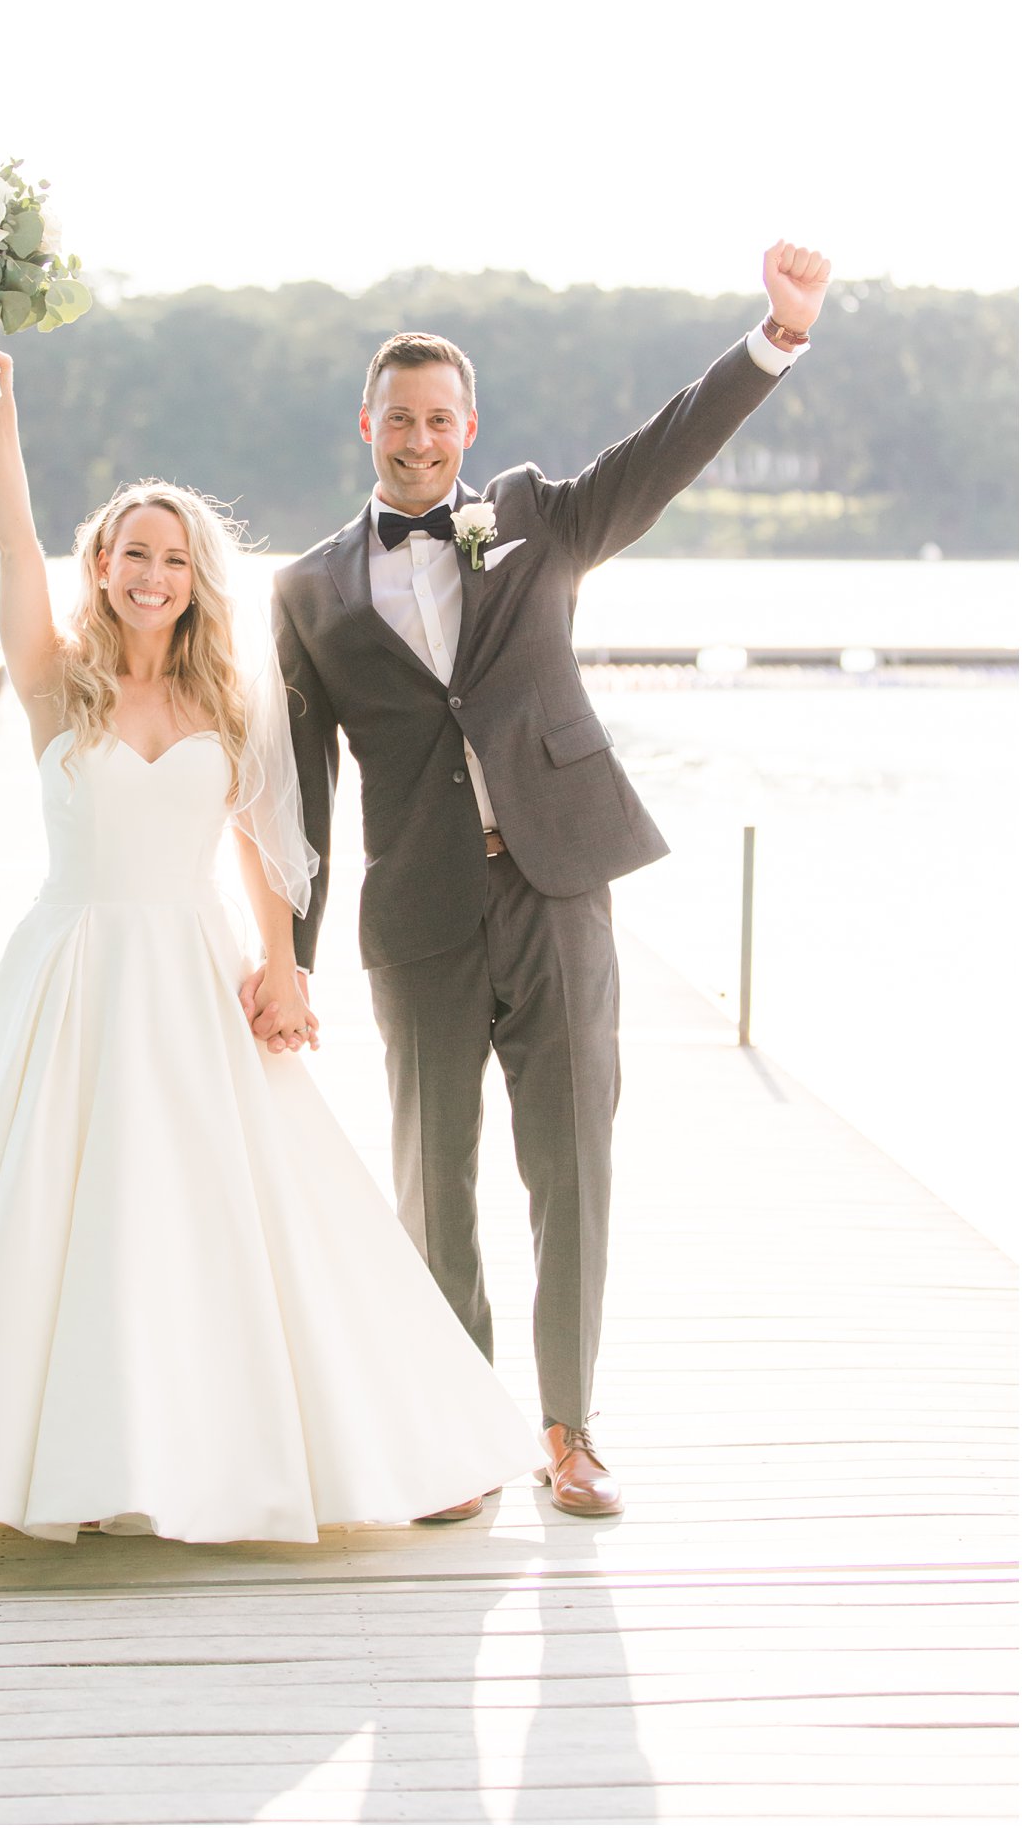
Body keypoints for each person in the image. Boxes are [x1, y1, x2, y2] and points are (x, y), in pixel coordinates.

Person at [0, 336, 542, 1551]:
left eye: (173, 560)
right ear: (102, 563)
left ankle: (224, 1453)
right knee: (51, 1217)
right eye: (133, 554)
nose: (151, 575)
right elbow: (9, 539)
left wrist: (281, 960)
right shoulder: (52, 681)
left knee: (223, 1221)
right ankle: (51, 1461)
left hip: (191, 978)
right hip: (69, 976)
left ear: (197, 579)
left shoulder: (221, 698)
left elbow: (257, 836)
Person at [254, 239, 832, 1518]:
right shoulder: (303, 591)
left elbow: (659, 454)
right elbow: (298, 791)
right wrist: (284, 958)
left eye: (439, 418)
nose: (418, 438)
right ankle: (457, 1434)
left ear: (469, 426)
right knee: (434, 1173)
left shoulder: (528, 514)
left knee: (571, 1160)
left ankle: (568, 1429)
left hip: (559, 885)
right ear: (365, 424)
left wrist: (773, 338)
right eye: (397, 418)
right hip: (416, 916)